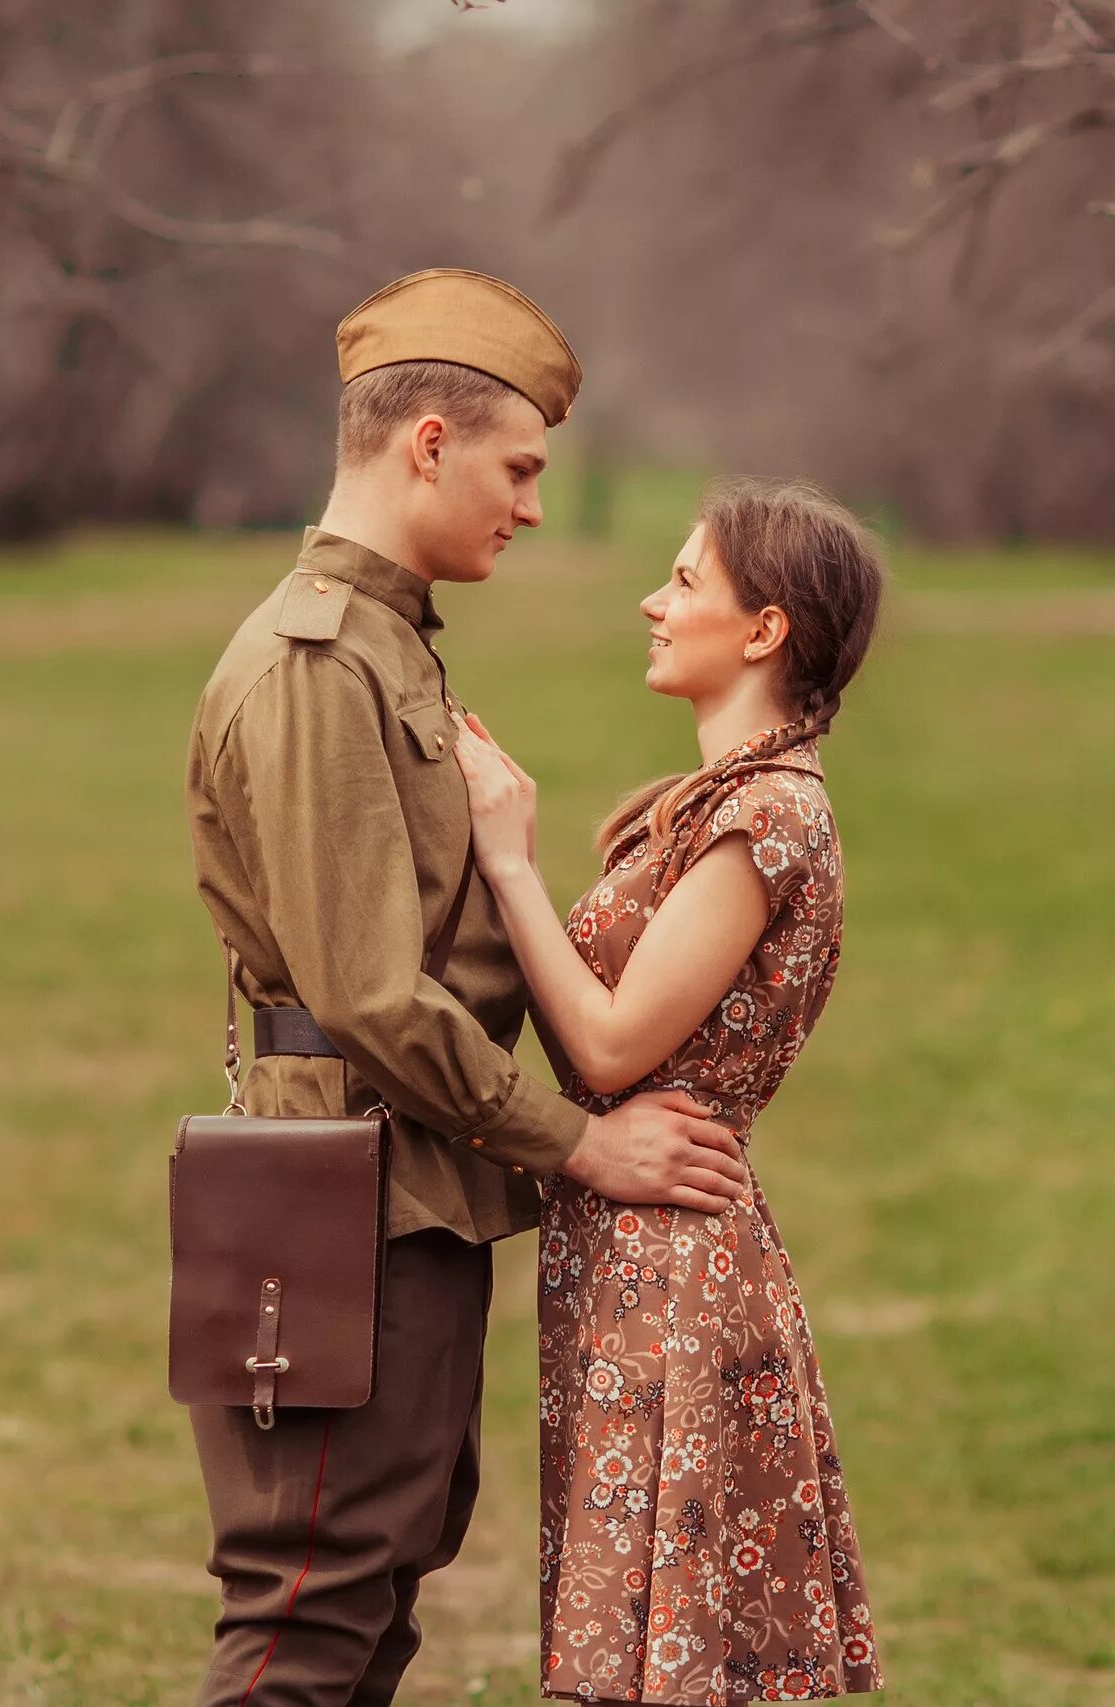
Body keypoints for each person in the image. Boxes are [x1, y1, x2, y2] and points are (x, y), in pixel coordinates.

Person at [181, 267, 755, 1706]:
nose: (535, 505)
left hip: (400, 1180)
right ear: (425, 442)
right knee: (306, 1617)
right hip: (344, 1192)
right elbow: (370, 990)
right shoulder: (319, 661)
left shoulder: (384, 640)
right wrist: (580, 1140)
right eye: (519, 467)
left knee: (369, 1594)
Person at [450, 477, 888, 1703]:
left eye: (686, 580)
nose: (653, 600)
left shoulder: (765, 820)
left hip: (677, 1267)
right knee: (638, 1652)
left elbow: (604, 1049)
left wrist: (507, 862)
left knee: (673, 1662)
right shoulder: (703, 806)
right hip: (628, 1250)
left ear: (764, 631)